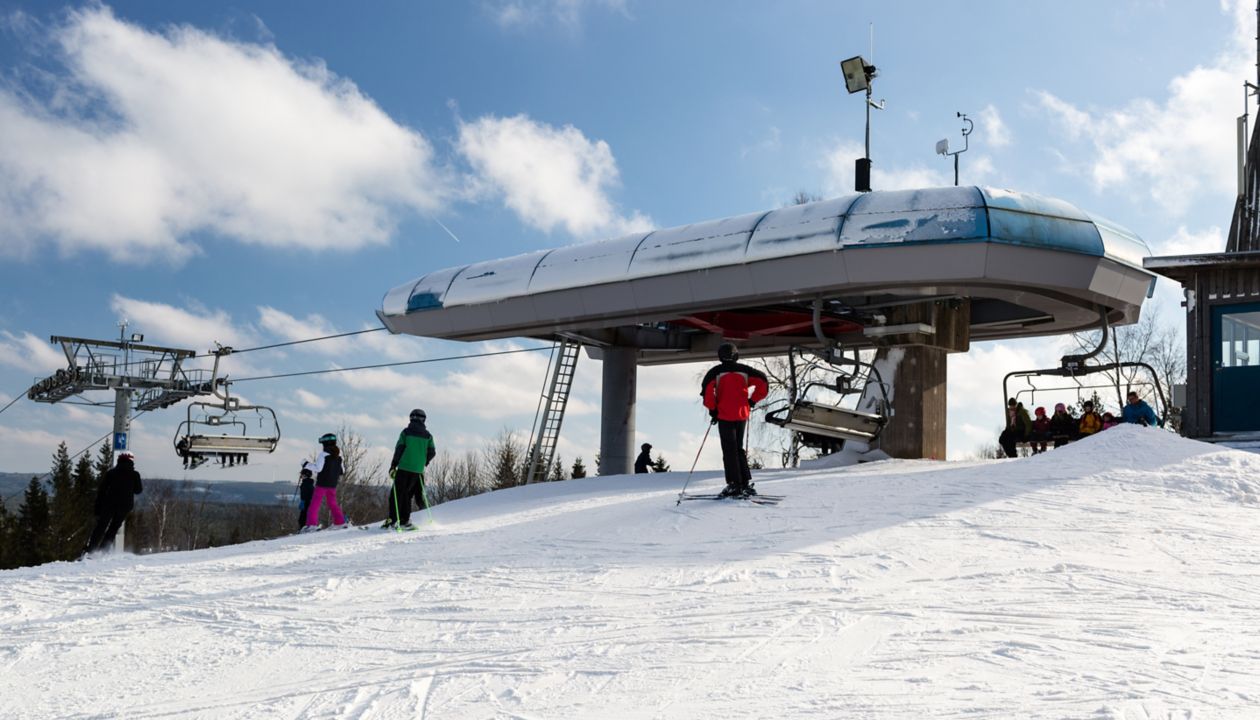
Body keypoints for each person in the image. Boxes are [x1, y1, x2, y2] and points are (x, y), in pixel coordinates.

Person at [701, 342, 768, 498]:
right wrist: (752, 401)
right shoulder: (745, 371)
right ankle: (745, 483)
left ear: (720, 356)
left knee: (729, 450)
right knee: (738, 449)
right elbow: (763, 382)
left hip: (725, 415)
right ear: (736, 355)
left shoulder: (715, 372)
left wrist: (713, 410)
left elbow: (707, 393)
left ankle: (734, 485)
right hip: (741, 414)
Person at [384, 409, 436, 530]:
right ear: (424, 419)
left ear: (411, 418)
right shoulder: (428, 435)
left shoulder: (406, 433)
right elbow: (432, 452)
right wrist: (424, 461)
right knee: (407, 495)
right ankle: (405, 520)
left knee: (396, 495)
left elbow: (399, 448)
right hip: (418, 470)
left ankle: (393, 520)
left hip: (404, 467)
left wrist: (393, 465)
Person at [84, 451, 143, 556]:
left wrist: (97, 509)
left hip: (109, 504)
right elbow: (138, 490)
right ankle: (103, 550)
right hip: (125, 506)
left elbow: (101, 491)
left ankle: (90, 550)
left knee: (101, 526)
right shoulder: (135, 474)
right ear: (131, 461)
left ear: (119, 460)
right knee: (114, 527)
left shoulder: (111, 473)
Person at [302, 433, 347, 531]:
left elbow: (318, 468)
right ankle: (340, 522)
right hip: (332, 485)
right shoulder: (339, 457)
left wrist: (306, 464)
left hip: (322, 484)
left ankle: (311, 525)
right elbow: (342, 471)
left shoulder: (323, 455)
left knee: (315, 504)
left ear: (325, 444)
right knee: (332, 503)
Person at [296, 465, 315, 532]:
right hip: (308, 502)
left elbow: (305, 493)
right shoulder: (308, 483)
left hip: (307, 502)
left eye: (302, 475)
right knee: (304, 516)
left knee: (303, 517)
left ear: (305, 475)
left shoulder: (306, 483)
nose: (301, 477)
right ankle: (304, 527)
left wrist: (303, 501)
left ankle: (303, 528)